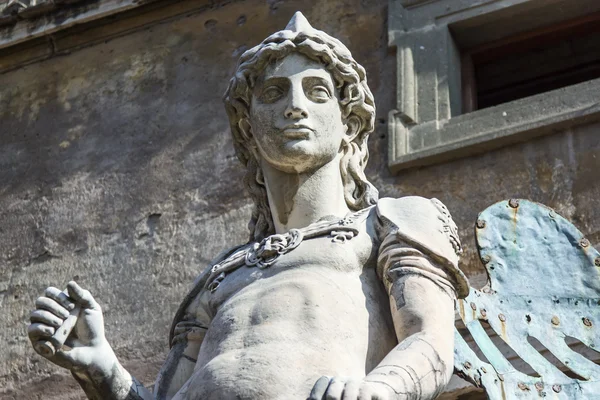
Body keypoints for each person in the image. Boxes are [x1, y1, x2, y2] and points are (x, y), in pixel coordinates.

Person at [27, 12, 469, 400]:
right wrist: (100, 367)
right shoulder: (221, 273)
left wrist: (381, 388)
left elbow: (430, 341)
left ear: (348, 121)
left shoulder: (389, 220)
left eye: (316, 92)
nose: (295, 107)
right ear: (248, 124)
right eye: (274, 93)